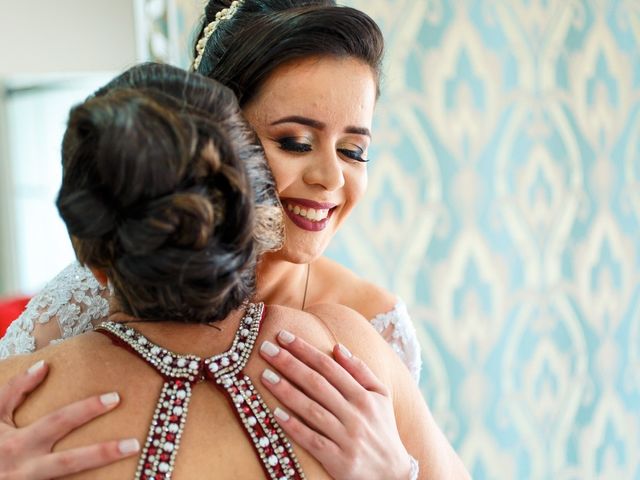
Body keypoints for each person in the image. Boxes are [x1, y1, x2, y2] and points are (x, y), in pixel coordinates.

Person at [0, 0, 441, 477]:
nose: (330, 177)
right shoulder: (84, 298)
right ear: (221, 133)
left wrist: (398, 470)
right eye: (295, 142)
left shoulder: (368, 323)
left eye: (354, 150)